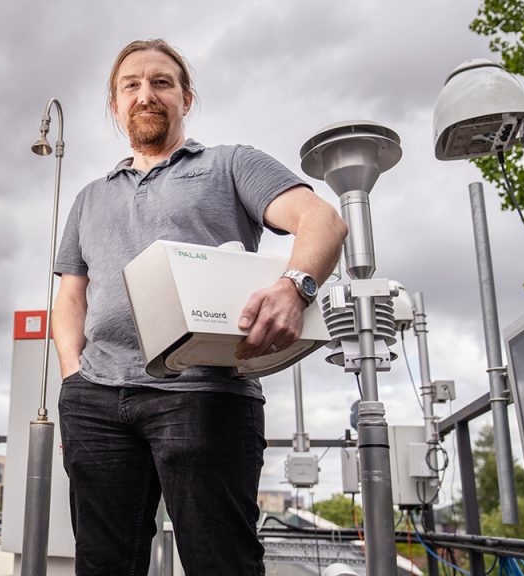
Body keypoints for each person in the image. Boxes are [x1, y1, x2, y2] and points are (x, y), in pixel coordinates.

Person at [51, 39, 347, 576]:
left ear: (186, 98)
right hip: (97, 403)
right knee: (102, 565)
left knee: (221, 563)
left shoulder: (231, 164)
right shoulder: (89, 198)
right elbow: (71, 295)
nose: (147, 94)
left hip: (206, 392)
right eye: (131, 85)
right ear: (116, 107)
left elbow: (321, 220)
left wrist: (295, 286)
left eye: (162, 82)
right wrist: (73, 378)